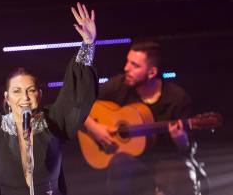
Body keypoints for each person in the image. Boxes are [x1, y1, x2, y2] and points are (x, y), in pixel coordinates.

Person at [0, 2, 98, 195]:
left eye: (31, 90)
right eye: (16, 91)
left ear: (40, 94)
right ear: (6, 97)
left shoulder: (54, 122)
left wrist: (88, 45)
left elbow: (77, 93)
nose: (24, 97)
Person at [84, 40, 205, 195]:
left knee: (178, 173)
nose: (126, 68)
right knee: (120, 162)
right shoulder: (119, 85)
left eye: (135, 65)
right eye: (128, 62)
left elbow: (187, 150)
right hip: (132, 163)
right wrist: (94, 127)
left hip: (165, 162)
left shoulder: (177, 99)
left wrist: (182, 142)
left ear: (152, 72)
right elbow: (77, 105)